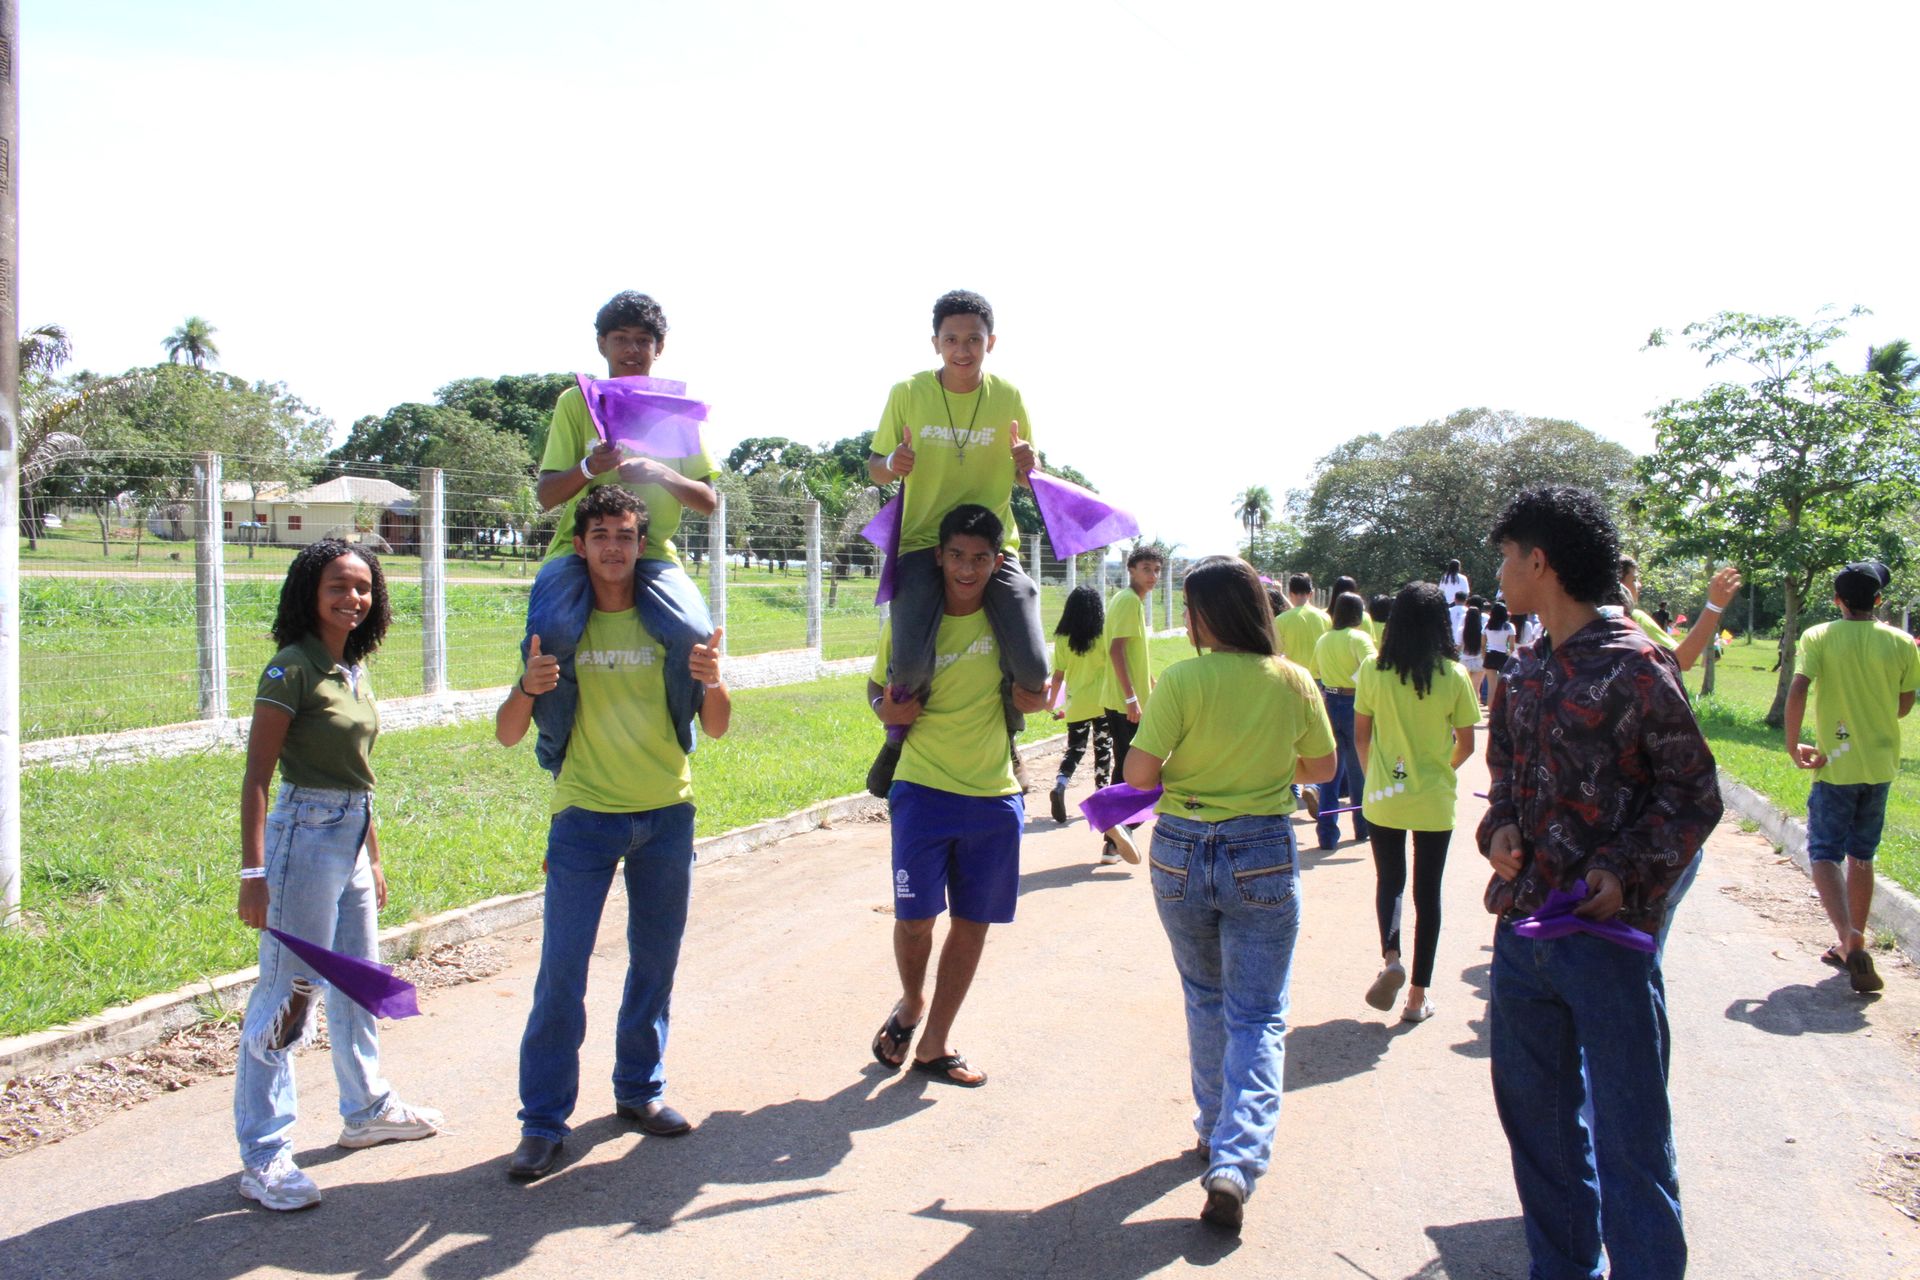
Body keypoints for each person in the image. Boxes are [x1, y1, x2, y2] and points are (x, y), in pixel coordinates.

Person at [1479, 486, 1722, 1280]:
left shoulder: (1637, 665)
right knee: (1543, 1143)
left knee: (1632, 1146)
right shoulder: (1526, 670)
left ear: (1539, 562)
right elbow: (1506, 778)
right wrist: (1499, 832)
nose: (1501, 572)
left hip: (1607, 950)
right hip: (1523, 942)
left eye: (1507, 557)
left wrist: (1623, 870)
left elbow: (1692, 794)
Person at [496, 486, 734, 1180]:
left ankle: (640, 1092)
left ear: (642, 545)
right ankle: (542, 1123)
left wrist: (714, 681)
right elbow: (509, 734)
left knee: (654, 967)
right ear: (579, 546)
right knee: (561, 978)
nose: (612, 548)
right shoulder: (557, 634)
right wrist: (529, 687)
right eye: (599, 535)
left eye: (625, 536)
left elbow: (714, 727)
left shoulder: (672, 631)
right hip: (584, 820)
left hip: (666, 814)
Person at [1123, 556, 1335, 1232]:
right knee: (1259, 1013)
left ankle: (1213, 1130)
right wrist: (1275, 760)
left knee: (1205, 997)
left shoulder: (1182, 680)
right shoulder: (1293, 681)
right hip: (1262, 851)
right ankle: (1237, 1162)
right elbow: (1323, 767)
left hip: (1182, 848)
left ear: (1202, 616)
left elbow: (1137, 772)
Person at [235, 540, 441, 1211]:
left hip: (350, 835)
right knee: (290, 994)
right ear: (308, 591)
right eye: (338, 586)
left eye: (363, 588)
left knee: (361, 980)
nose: (353, 598)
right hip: (303, 837)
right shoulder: (290, 670)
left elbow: (359, 774)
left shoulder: (350, 667)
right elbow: (258, 778)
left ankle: (367, 1109)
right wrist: (254, 871)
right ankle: (265, 1155)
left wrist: (372, 854)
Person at [867, 505, 1048, 1085]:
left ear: (998, 563)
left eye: (980, 559)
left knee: (972, 923)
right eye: (956, 556)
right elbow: (876, 684)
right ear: (939, 557)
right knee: (916, 919)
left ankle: (935, 1044)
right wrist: (882, 708)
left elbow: (1034, 692)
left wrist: (1037, 702)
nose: (966, 569)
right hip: (921, 790)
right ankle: (911, 1002)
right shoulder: (914, 624)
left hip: (994, 796)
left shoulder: (1013, 628)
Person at [523, 291, 718, 773]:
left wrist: (663, 474)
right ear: (601, 344)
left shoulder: (675, 409)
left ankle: (678, 732)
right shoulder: (577, 403)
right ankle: (555, 746)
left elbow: (709, 501)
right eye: (620, 339)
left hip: (650, 551)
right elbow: (547, 495)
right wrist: (589, 466)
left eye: (643, 340)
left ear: (660, 347)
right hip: (578, 550)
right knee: (552, 631)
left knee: (692, 631)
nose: (632, 350)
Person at [866, 289, 1049, 795]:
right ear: (935, 342)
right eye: (952, 339)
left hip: (993, 545)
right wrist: (893, 465)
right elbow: (875, 466)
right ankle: (897, 739)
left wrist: (1027, 466)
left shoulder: (1009, 396)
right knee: (909, 664)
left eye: (974, 339)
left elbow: (1025, 477)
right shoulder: (908, 391)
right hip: (923, 541)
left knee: (1032, 666)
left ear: (992, 342)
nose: (963, 349)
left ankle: (1010, 734)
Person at [1785, 560, 1920, 993]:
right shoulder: (1902, 642)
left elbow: (1800, 687)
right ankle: (1855, 935)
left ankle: (1847, 936)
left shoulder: (1818, 636)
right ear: (1879, 600)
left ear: (1837, 601)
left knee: (1825, 852)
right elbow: (1903, 706)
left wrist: (1792, 744)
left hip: (1835, 765)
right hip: (1879, 767)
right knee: (1863, 853)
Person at [1354, 583, 1478, 1024]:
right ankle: (1415, 997)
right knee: (1429, 893)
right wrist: (1440, 771)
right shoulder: (1454, 675)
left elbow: (1362, 736)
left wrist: (1376, 780)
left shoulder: (1373, 669)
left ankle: (1391, 958)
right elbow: (1466, 746)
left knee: (1390, 882)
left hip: (1384, 798)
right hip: (1433, 801)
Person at [1100, 544, 1166, 863]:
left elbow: (1134, 654)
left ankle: (1115, 836)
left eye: (1156, 570)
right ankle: (1116, 826)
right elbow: (1116, 651)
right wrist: (1131, 697)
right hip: (1124, 701)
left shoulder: (1131, 601)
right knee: (1138, 769)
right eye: (1146, 569)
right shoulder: (1128, 601)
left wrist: (1150, 683)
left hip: (1128, 699)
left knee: (1127, 765)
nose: (1152, 576)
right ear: (1131, 570)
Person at [1310, 592, 1375, 850]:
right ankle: (1362, 827)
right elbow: (1373, 666)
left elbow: (1315, 670)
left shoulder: (1324, 639)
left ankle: (1326, 833)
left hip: (1329, 701)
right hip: (1354, 702)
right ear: (1358, 614)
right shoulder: (1359, 638)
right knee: (1358, 768)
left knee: (1330, 772)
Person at [1045, 584, 1113, 825]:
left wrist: (1051, 703)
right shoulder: (1105, 633)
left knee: (1075, 749)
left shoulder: (1062, 638)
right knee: (1103, 750)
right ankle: (1101, 798)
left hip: (1077, 706)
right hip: (1104, 703)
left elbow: (1058, 676)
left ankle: (1060, 784)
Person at [1274, 573, 1330, 676]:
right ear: (1311, 593)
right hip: (1320, 675)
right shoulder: (1325, 618)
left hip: (1293, 675)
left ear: (1290, 593)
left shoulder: (1280, 620)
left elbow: (1276, 652)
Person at [1458, 599, 1485, 704]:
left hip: (1464, 660)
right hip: (1479, 661)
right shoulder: (1482, 630)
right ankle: (1475, 712)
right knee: (1476, 688)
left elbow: (1459, 645)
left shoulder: (1462, 630)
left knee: (1464, 688)